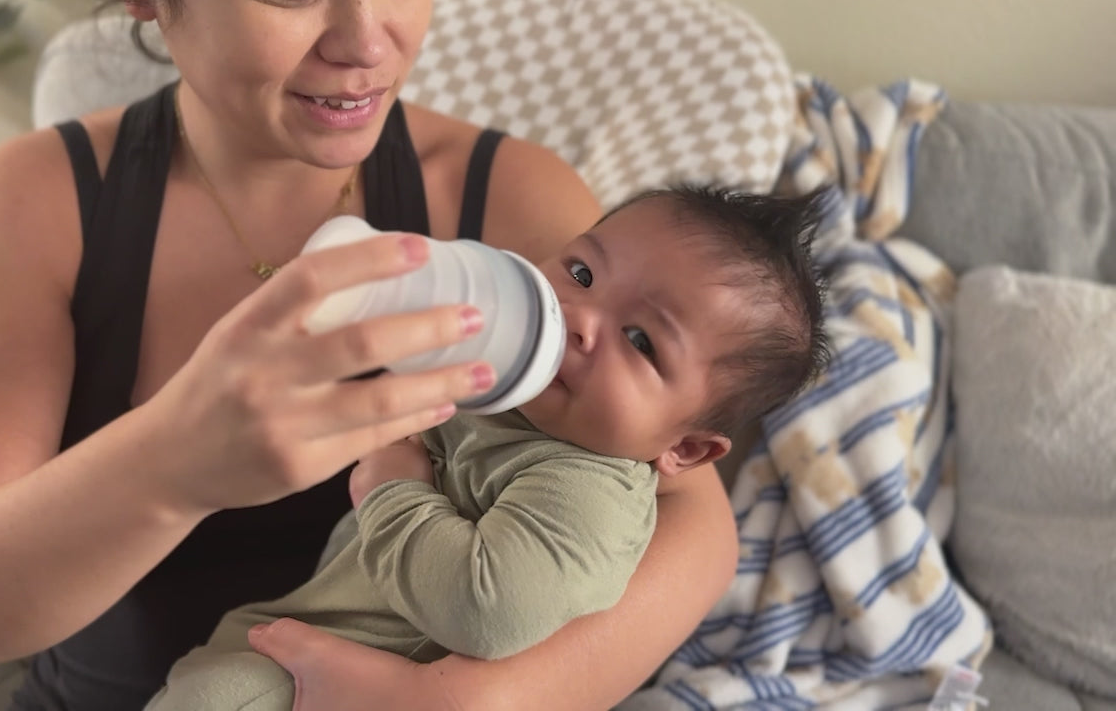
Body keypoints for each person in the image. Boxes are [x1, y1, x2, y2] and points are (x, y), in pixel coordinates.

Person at [0, 0, 742, 710]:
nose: (367, 41)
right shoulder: (40, 203)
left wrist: (466, 703)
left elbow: (691, 522)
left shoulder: (508, 199)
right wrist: (175, 462)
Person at [143, 185, 830, 711]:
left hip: (338, 679)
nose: (582, 321)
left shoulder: (586, 488)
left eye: (643, 341)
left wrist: (389, 488)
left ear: (683, 449)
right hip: (296, 636)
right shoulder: (511, 390)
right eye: (582, 275)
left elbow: (487, 610)